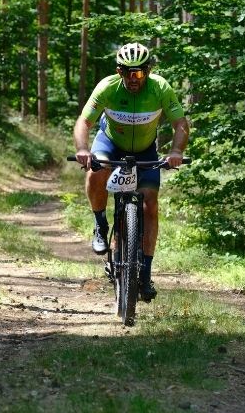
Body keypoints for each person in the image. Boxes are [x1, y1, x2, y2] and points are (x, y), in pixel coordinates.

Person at [73, 42, 189, 301]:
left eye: (139, 72)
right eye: (128, 72)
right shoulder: (107, 87)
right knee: (96, 169)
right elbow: (84, 121)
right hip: (110, 144)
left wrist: (176, 151)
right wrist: (82, 148)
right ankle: (100, 224)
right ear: (119, 71)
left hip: (145, 151)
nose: (134, 78)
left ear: (148, 71)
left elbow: (180, 123)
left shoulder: (160, 88)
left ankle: (145, 273)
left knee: (150, 205)